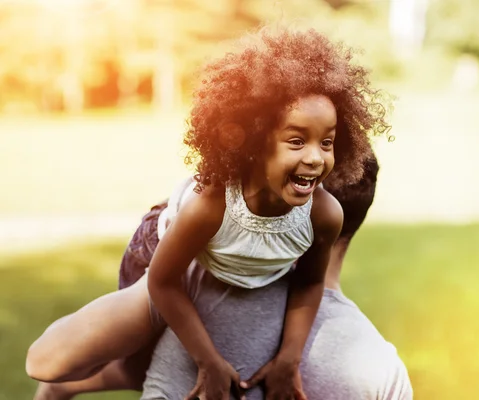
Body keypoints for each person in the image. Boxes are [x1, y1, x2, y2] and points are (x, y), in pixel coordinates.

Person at [26, 26, 391, 400]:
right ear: (255, 144)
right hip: (167, 256)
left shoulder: (324, 214)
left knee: (148, 368)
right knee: (57, 363)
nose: (315, 157)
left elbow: (311, 283)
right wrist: (208, 361)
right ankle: (56, 384)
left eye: (326, 142)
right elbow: (164, 283)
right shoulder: (212, 205)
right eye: (296, 141)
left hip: (230, 262)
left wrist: (289, 360)